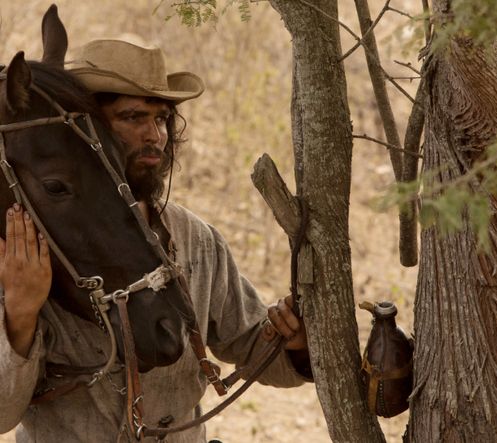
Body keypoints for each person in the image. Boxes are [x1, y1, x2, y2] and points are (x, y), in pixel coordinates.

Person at [0, 39, 311, 442]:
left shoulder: (194, 238)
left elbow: (251, 347)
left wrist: (294, 343)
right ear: (87, 127)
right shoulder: (28, 245)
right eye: (132, 116)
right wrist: (20, 313)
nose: (155, 135)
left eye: (162, 118)